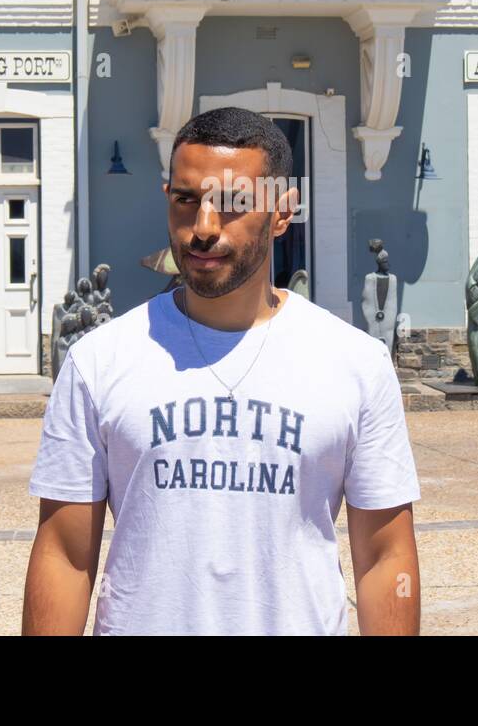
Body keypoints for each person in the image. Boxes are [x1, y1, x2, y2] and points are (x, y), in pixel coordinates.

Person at [23, 107, 422, 635]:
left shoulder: (355, 363)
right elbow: (64, 555)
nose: (203, 228)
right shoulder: (101, 361)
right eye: (187, 201)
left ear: (282, 213)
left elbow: (385, 559)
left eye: (233, 202)